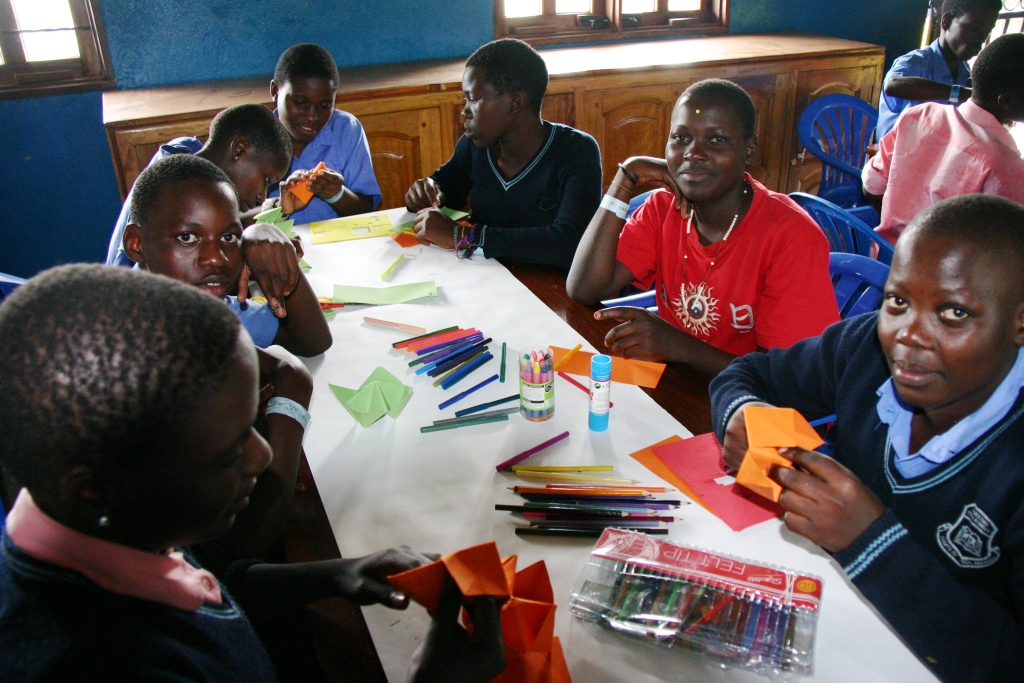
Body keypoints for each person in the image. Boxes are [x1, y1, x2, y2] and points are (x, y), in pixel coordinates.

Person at [0, 264, 506, 682]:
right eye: (228, 453)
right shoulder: (97, 663)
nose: (263, 455)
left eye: (252, 426)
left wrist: (335, 572)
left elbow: (209, 580)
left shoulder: (121, 526)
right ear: (92, 490)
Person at [711, 194, 1024, 683]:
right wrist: (742, 411)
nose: (909, 335)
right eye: (898, 301)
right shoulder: (864, 349)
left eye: (953, 313)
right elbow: (747, 374)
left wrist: (869, 539)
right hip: (827, 622)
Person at [567, 79, 838, 375]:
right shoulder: (663, 208)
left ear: (749, 150)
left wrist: (680, 347)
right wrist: (626, 176)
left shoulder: (791, 235)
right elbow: (583, 288)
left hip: (747, 397)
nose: (693, 153)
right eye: (681, 138)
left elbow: (787, 378)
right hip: (677, 381)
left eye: (716, 140)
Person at [404, 38, 602, 270]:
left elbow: (570, 243)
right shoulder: (474, 145)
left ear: (514, 103)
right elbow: (447, 186)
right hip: (484, 272)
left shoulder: (576, 151)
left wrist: (465, 236)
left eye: (473, 99)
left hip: (548, 282)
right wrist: (427, 192)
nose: (465, 111)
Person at [124, 154, 332, 358]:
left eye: (229, 237)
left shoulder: (210, 309)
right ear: (136, 244)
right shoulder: (116, 333)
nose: (217, 259)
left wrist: (277, 257)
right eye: (187, 237)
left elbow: (312, 343)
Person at [863, 33, 1024, 245]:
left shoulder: (919, 115)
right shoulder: (1007, 169)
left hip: (886, 254)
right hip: (939, 266)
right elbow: (1005, 247)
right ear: (1007, 102)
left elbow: (871, 186)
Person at [107, 103, 293, 268]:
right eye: (266, 180)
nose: (262, 195)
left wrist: (276, 207)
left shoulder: (189, 152)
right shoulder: (176, 189)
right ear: (239, 149)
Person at [269, 43, 382, 224]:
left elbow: (366, 209)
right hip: (275, 240)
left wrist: (337, 195)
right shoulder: (255, 137)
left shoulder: (346, 129)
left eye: (324, 106)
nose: (312, 117)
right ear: (275, 91)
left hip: (335, 240)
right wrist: (278, 208)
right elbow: (234, 219)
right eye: (300, 102)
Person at [875, 0, 1001, 139]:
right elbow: (892, 85)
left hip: (933, 149)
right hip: (894, 151)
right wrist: (960, 93)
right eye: (975, 28)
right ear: (947, 21)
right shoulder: (915, 62)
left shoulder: (965, 73)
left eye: (987, 32)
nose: (982, 38)